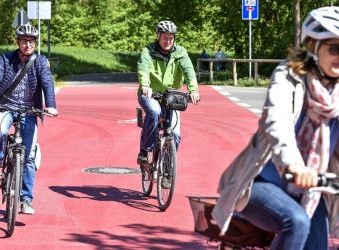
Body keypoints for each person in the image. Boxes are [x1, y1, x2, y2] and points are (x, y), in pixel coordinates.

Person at [212, 6, 339, 250]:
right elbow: (277, 122)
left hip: (314, 187)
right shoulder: (289, 75)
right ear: (313, 45)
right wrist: (293, 164)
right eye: (335, 48)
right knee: (297, 221)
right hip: (263, 181)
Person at [0, 23, 58, 214]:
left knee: (29, 156)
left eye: (31, 41)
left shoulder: (40, 61)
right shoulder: (6, 59)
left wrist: (51, 105)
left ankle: (26, 199)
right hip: (6, 106)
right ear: (18, 42)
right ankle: (1, 158)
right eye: (24, 41)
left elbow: (47, 83)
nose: (27, 44)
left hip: (30, 110)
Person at [137, 20, 200, 166]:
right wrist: (145, 84)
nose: (168, 41)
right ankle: (144, 151)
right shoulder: (148, 51)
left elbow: (189, 71)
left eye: (171, 38)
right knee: (154, 111)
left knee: (175, 135)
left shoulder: (180, 52)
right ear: (158, 36)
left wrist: (193, 90)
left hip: (171, 96)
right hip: (150, 94)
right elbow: (144, 69)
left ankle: (166, 170)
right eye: (165, 37)